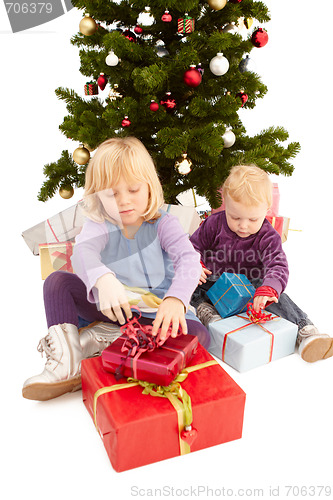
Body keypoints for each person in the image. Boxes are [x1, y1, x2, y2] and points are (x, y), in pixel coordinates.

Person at [22, 137, 209, 401]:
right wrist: (103, 279)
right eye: (111, 193)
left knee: (200, 336)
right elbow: (83, 252)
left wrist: (176, 299)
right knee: (57, 282)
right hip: (113, 310)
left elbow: (189, 260)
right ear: (98, 196)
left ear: (149, 187)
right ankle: (68, 360)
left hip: (155, 317)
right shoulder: (99, 224)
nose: (123, 201)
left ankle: (107, 342)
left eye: (133, 189)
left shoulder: (164, 224)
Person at [190, 164, 333, 363]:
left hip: (250, 285)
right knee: (192, 284)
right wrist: (195, 263)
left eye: (252, 219)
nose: (243, 225)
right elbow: (193, 246)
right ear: (226, 204)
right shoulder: (214, 223)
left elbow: (277, 264)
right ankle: (206, 311)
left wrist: (268, 288)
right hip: (215, 280)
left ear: (266, 210)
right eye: (235, 216)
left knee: (278, 298)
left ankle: (305, 331)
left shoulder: (268, 236)